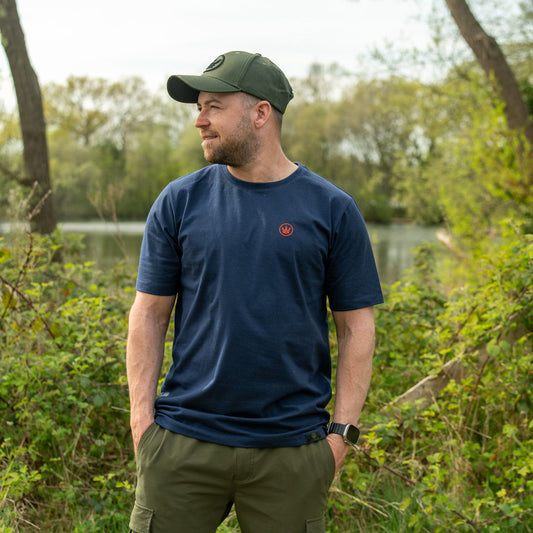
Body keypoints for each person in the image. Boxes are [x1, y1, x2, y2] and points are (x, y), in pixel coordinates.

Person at [127, 50, 383, 533]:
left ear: (261, 113)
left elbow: (356, 328)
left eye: (214, 107)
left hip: (291, 451)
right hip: (182, 445)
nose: (199, 120)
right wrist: (142, 423)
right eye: (198, 108)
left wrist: (340, 437)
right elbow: (149, 315)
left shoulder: (332, 209)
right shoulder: (179, 201)